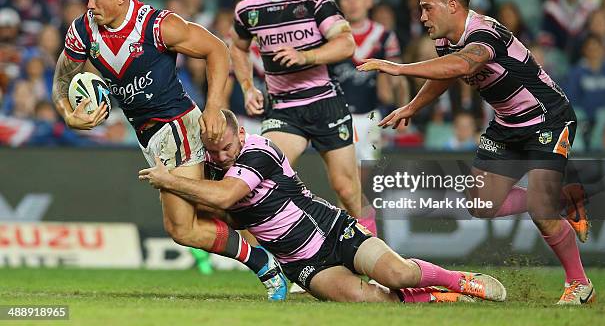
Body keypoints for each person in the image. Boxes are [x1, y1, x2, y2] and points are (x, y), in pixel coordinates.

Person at [51, 0, 287, 301]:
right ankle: (286, 240)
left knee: (182, 227)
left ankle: (267, 262)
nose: (90, 4)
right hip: (147, 135)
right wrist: (69, 114)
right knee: (218, 213)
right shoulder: (84, 30)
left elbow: (216, 49)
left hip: (177, 125)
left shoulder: (155, 26)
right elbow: (62, 79)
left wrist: (215, 106)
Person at [358, 0, 595, 305]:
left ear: (452, 5)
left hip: (548, 119)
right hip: (506, 124)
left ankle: (579, 284)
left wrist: (399, 69)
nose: (422, 17)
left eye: (427, 8)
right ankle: (559, 199)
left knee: (542, 213)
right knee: (480, 203)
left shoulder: (484, 32)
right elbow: (448, 73)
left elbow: (462, 63)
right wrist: (412, 106)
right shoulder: (446, 40)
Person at [139, 109, 507, 304]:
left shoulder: (258, 150)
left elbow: (223, 198)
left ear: (240, 134)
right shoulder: (213, 166)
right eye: (213, 150)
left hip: (331, 229)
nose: (220, 156)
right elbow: (209, 211)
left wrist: (169, 180)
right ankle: (436, 300)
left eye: (226, 147)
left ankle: (460, 281)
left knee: (399, 275)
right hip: (301, 263)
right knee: (374, 304)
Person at [229, 0, 375, 239]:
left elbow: (346, 44)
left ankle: (374, 257)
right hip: (282, 107)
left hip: (324, 102)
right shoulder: (248, 9)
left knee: (347, 190)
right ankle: (283, 266)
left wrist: (305, 55)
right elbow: (238, 47)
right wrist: (247, 87)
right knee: (258, 180)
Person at [334, 0, 408, 163]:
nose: (352, 4)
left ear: (368, 0)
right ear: (339, 3)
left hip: (373, 117)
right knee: (343, 181)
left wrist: (403, 110)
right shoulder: (331, 36)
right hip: (336, 119)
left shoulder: (384, 36)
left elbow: (399, 77)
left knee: (369, 176)